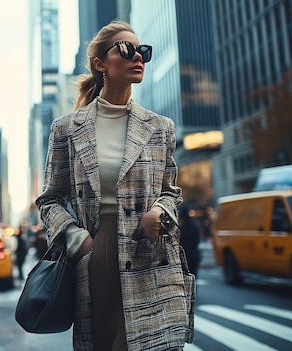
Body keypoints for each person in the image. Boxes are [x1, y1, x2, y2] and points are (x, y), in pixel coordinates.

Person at [35, 20, 192, 351]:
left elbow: (171, 192)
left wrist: (160, 213)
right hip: (96, 254)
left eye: (143, 51)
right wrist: (78, 241)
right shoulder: (66, 129)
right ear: (100, 64)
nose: (138, 57)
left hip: (150, 252)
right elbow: (49, 200)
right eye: (126, 49)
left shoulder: (161, 127)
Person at [178, 210, 201, 277]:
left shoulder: (180, 229)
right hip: (193, 255)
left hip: (184, 257)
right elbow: (196, 241)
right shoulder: (194, 228)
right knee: (193, 276)